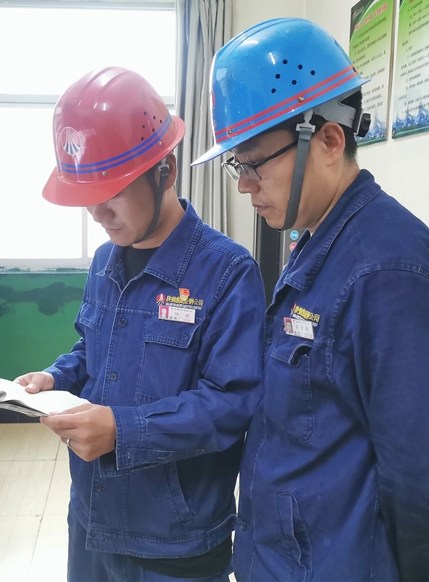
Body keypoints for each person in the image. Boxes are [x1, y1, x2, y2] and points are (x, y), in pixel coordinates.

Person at [193, 18, 429, 581]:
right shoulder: (318, 238)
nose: (244, 183)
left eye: (254, 161)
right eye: (236, 164)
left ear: (327, 140)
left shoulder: (387, 270)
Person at [15, 66, 266, 581]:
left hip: (174, 542)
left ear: (165, 170)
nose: (98, 213)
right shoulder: (104, 262)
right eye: (87, 195)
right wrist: (55, 377)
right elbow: (91, 349)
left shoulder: (227, 272)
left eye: (113, 191)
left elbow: (232, 404)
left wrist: (122, 431)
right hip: (92, 518)